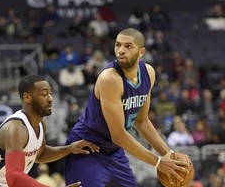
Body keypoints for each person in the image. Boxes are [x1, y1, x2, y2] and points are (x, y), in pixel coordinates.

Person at [64, 28, 189, 187]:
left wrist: (169, 154)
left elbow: (141, 121)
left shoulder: (148, 73)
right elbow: (119, 135)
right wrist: (158, 162)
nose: (121, 50)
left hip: (113, 150)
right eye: (118, 45)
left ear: (141, 51)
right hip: (86, 150)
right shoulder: (110, 78)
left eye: (128, 46)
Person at [0, 74, 99, 187]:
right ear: (27, 97)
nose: (50, 99)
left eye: (50, 93)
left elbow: (40, 155)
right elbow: (14, 176)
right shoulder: (16, 128)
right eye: (44, 94)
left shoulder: (40, 125)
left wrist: (69, 149)